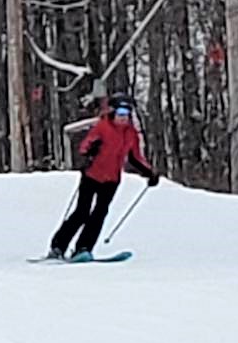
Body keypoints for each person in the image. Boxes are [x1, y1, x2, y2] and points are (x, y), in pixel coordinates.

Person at [48, 91, 159, 259]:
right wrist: (91, 149)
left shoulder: (131, 133)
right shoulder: (102, 127)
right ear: (112, 112)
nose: (124, 118)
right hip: (92, 175)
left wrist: (149, 172)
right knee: (82, 212)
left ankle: (83, 248)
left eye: (127, 114)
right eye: (121, 114)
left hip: (112, 179)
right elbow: (84, 147)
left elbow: (135, 157)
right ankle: (58, 246)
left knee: (100, 213)